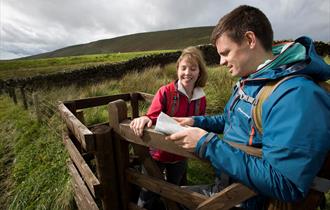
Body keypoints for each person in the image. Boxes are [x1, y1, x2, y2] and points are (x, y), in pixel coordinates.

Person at [166, 5, 330, 210]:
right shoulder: (252, 78)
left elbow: (287, 183)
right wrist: (196, 122)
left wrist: (207, 144)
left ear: (250, 40)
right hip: (227, 188)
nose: (221, 61)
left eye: (225, 52)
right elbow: (231, 119)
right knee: (171, 199)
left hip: (248, 201)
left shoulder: (296, 95)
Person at [130, 46, 208, 209]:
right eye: (183, 68)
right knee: (148, 192)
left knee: (174, 191)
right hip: (157, 154)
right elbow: (153, 115)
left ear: (199, 72)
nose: (188, 73)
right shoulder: (165, 92)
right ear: (177, 69)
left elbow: (201, 120)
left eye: (193, 68)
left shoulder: (201, 97)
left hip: (180, 156)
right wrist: (144, 118)